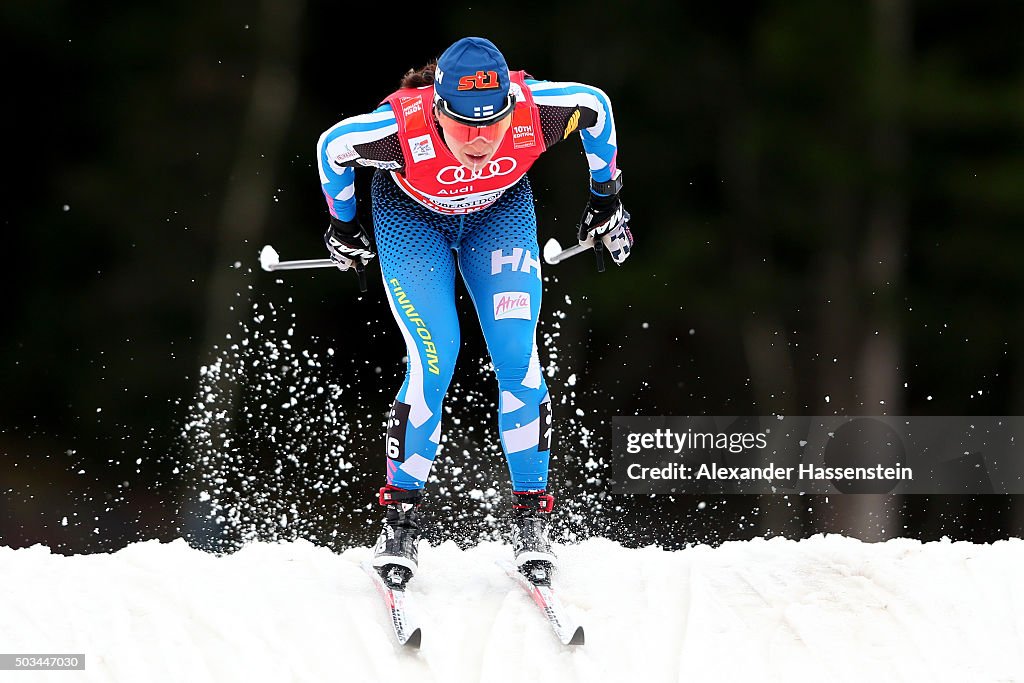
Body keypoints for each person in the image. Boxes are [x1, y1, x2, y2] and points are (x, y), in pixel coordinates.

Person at [316, 36, 632, 588]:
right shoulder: (400, 130)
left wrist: (605, 198)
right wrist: (343, 226)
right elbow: (333, 147)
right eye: (463, 125)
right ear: (438, 110)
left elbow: (598, 106)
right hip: (412, 222)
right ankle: (399, 521)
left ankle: (532, 518)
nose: (481, 140)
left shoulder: (539, 113)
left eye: (494, 123)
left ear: (512, 104)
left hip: (499, 215)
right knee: (437, 358)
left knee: (516, 353)